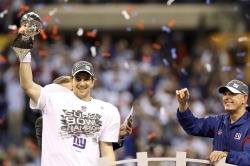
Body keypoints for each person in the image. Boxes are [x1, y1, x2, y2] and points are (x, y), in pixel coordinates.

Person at [17, 25, 121, 165]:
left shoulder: (108, 110)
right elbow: (27, 85)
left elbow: (107, 152)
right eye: (78, 78)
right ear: (72, 80)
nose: (82, 83)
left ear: (93, 82)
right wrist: (24, 52)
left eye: (86, 79)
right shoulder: (54, 95)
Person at [35, 76, 133, 151]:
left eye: (71, 92)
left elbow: (99, 151)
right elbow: (49, 152)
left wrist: (118, 136)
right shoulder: (44, 122)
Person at [175, 79, 250, 165]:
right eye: (225, 94)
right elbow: (192, 126)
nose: (227, 97)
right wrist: (183, 103)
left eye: (232, 94)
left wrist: (226, 155)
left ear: (244, 98)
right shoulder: (219, 121)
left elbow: (248, 158)